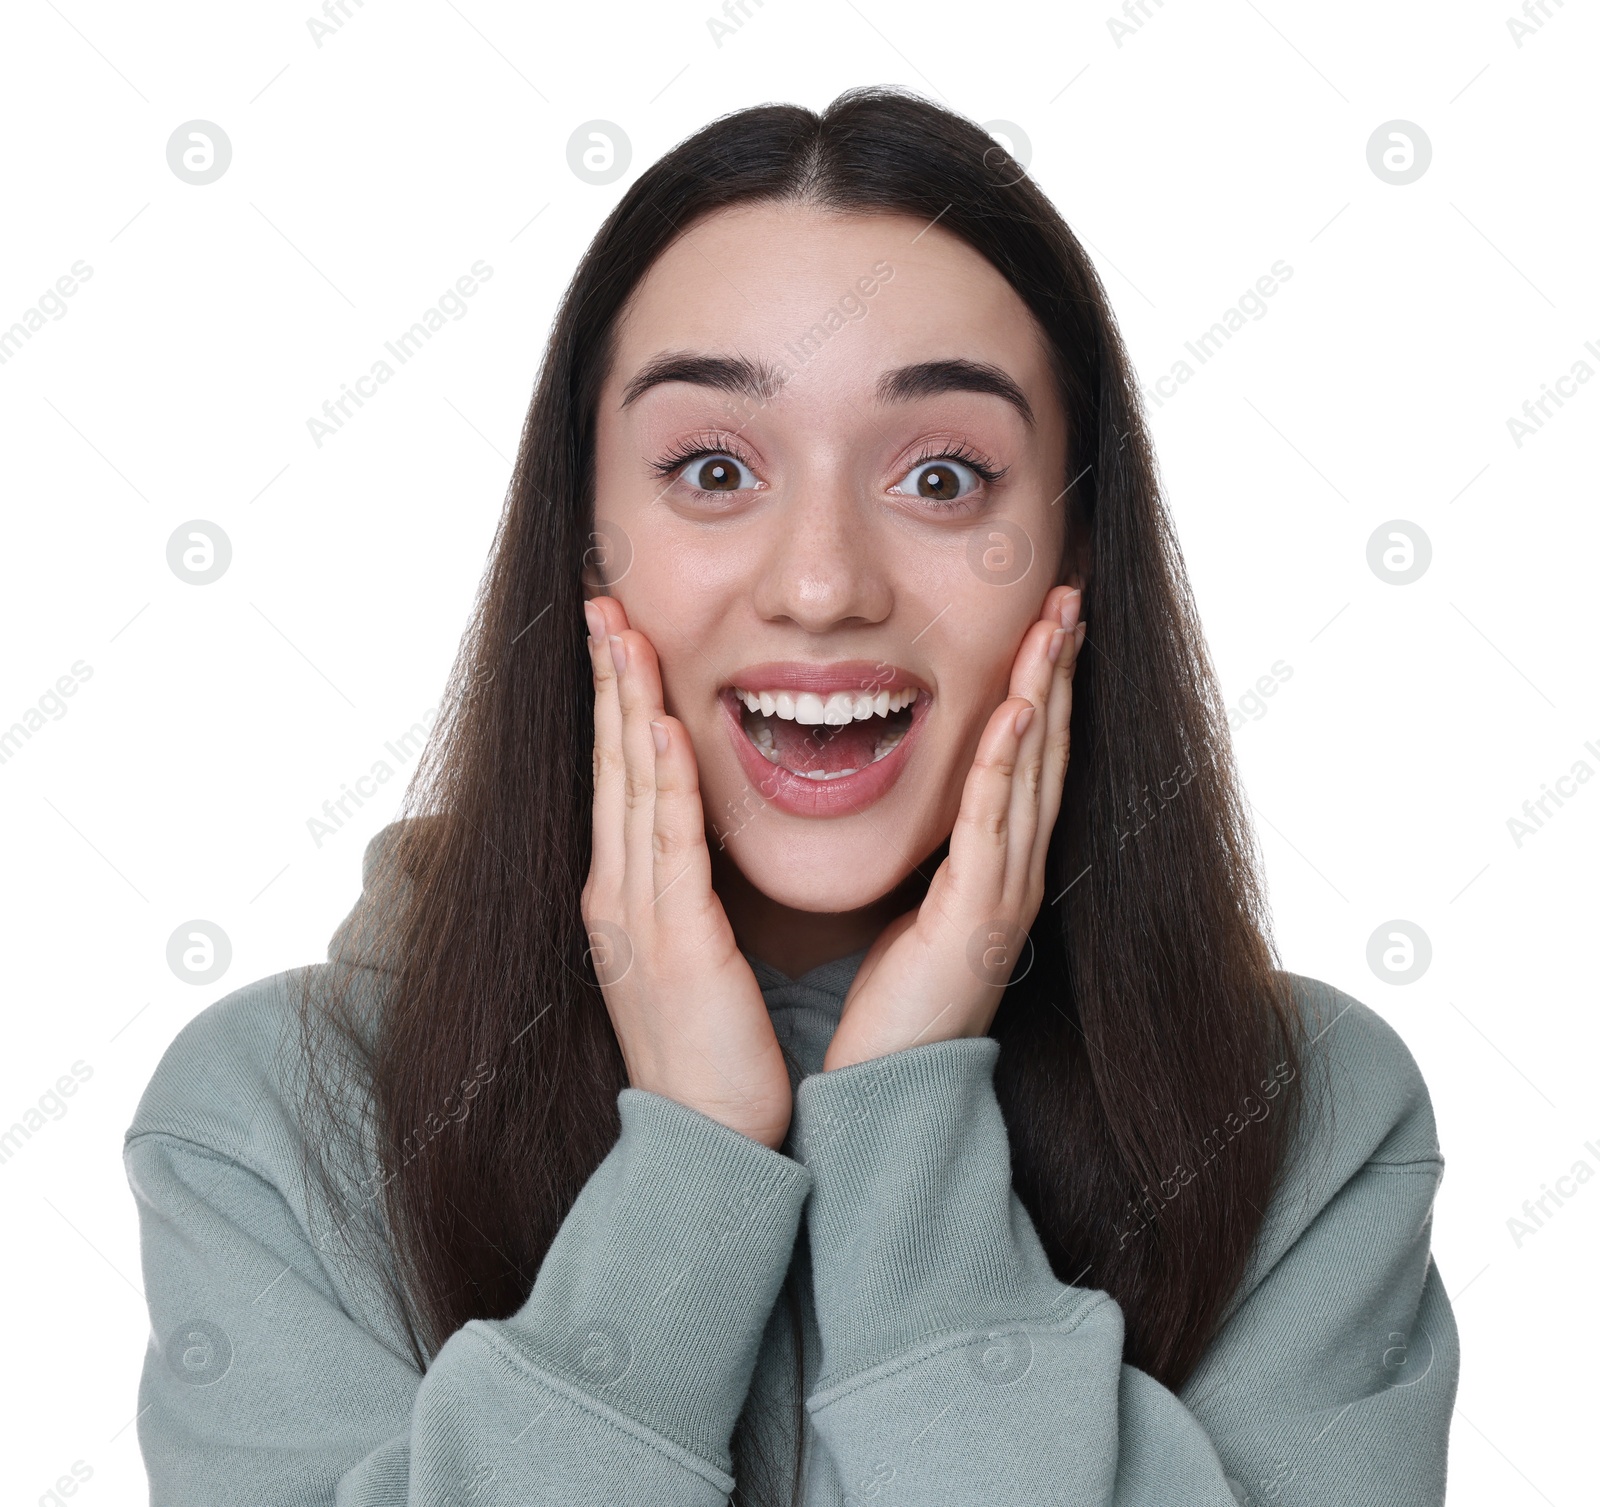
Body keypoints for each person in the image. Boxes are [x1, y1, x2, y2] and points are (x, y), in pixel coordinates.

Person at [125, 87, 1457, 1505]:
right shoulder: (271, 1123)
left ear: (1078, 550)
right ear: (583, 545)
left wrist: (905, 1121)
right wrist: (692, 1160)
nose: (822, 585)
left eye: (943, 477)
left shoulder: (1309, 1121)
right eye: (712, 469)